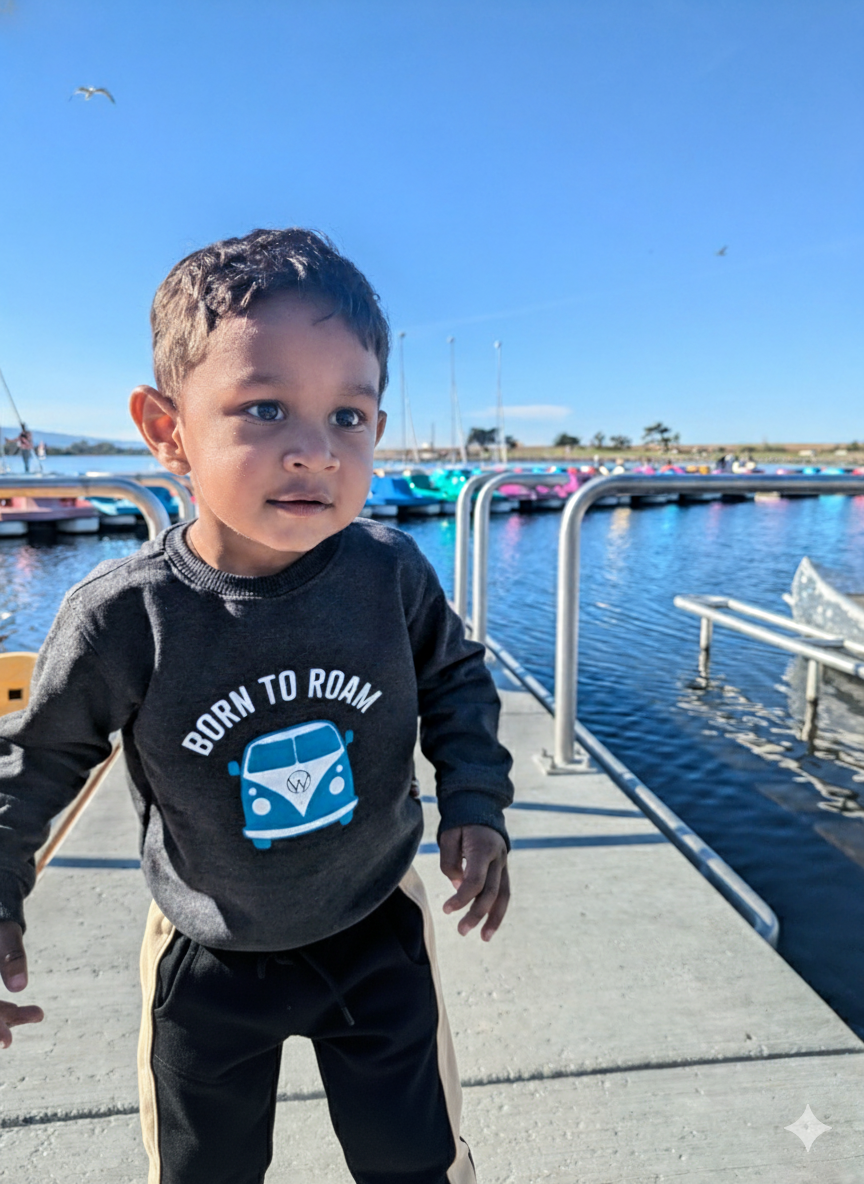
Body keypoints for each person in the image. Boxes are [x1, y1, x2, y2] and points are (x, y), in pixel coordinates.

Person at [0, 228, 513, 1184]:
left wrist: (476, 804)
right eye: (265, 408)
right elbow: (38, 767)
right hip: (207, 952)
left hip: (377, 927)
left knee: (418, 1164)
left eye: (350, 417)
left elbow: (455, 681)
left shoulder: (389, 575)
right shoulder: (128, 616)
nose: (315, 452)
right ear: (167, 429)